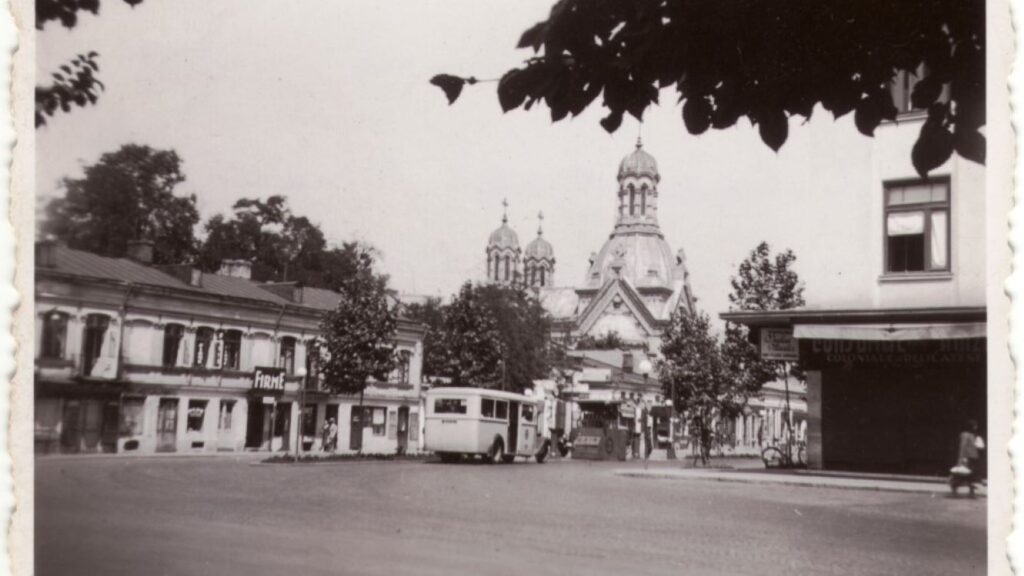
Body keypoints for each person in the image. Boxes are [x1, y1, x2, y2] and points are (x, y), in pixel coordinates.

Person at [956, 419, 983, 497]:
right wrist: (962, 457)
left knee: (972, 475)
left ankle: (971, 492)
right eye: (975, 425)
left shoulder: (972, 435)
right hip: (967, 457)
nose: (976, 427)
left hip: (973, 457)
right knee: (962, 474)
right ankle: (955, 488)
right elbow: (963, 446)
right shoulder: (965, 434)